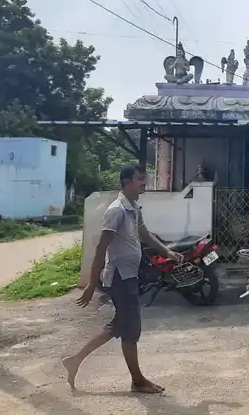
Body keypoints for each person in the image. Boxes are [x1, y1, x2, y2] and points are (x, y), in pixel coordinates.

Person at [62, 164, 183, 393]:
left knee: (125, 327)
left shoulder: (133, 208)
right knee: (127, 327)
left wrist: (167, 252)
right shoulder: (116, 211)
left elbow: (146, 236)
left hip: (129, 276)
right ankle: (135, 380)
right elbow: (101, 248)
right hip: (120, 277)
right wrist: (91, 284)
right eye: (140, 179)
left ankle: (79, 361)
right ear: (127, 182)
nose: (144, 184)